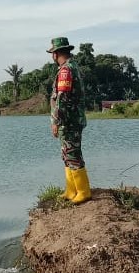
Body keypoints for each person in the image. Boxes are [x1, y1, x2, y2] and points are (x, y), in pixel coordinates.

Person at [47, 36, 90, 204]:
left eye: (52, 53)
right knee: (67, 154)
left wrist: (56, 121)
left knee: (72, 154)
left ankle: (83, 191)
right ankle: (71, 190)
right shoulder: (71, 67)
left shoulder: (66, 70)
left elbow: (62, 98)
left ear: (56, 53)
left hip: (69, 120)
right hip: (70, 119)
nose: (52, 56)